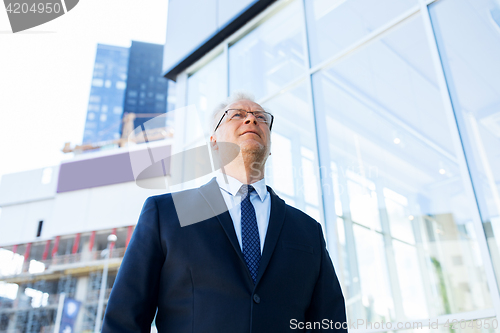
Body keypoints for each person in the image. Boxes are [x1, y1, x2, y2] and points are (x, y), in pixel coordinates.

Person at [102, 92, 347, 332]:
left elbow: (330, 322)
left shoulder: (308, 230)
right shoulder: (165, 214)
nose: (251, 119)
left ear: (270, 145)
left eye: (261, 117)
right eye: (237, 115)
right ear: (214, 143)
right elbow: (124, 320)